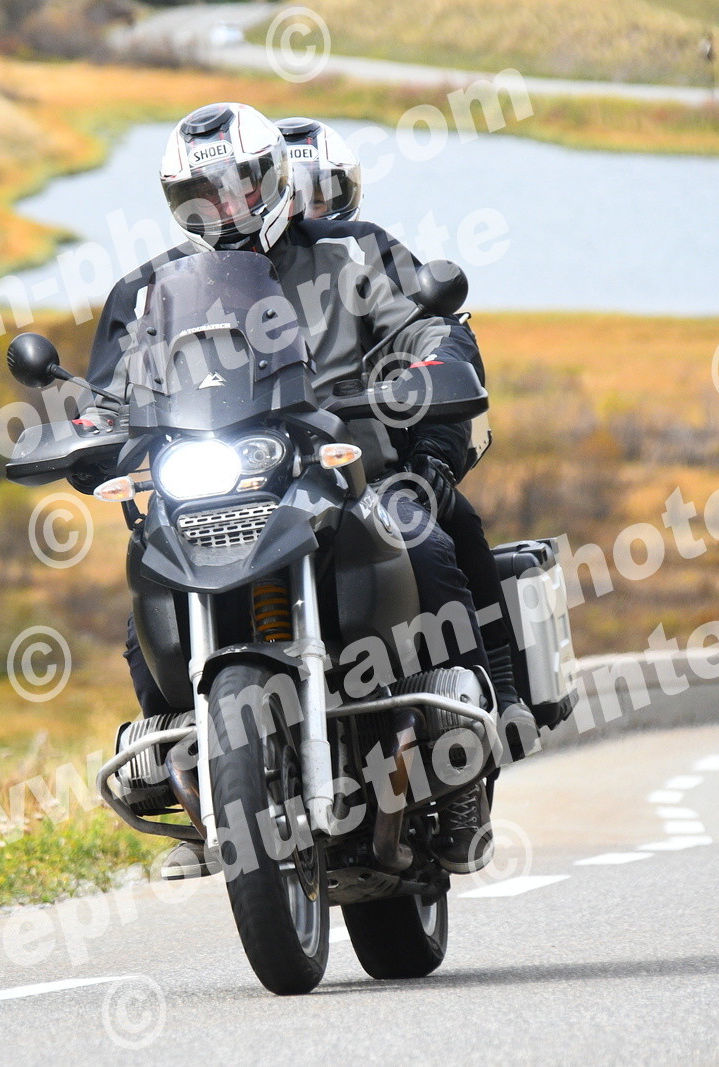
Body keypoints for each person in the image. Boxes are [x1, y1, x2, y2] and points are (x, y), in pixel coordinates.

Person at [79, 102, 518, 875]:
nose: (226, 206)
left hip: (349, 473)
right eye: (203, 194)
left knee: (424, 541)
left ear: (274, 175)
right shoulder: (151, 291)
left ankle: (462, 759)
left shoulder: (354, 251)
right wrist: (83, 428)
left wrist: (432, 364)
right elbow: (109, 390)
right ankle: (193, 775)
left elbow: (425, 324)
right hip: (222, 484)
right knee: (152, 582)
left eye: (241, 185)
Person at [276, 116, 541, 749]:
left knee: (433, 533)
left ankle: (491, 698)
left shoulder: (364, 256)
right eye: (296, 196)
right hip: (255, 487)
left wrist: (432, 453)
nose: (309, 213)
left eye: (322, 196)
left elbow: (435, 334)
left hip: (371, 474)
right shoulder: (214, 289)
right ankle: (178, 761)